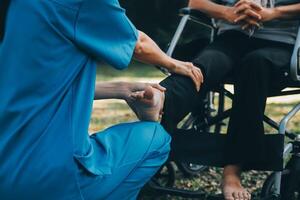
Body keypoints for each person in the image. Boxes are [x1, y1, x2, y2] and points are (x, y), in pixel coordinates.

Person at [0, 0, 203, 199]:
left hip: (6, 169)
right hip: (52, 177)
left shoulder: (19, 7)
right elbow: (137, 44)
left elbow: (41, 86)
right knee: (156, 139)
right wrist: (175, 64)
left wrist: (120, 89)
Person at [125, 0, 300, 199]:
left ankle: (232, 170)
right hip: (232, 36)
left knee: (254, 65)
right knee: (204, 65)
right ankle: (158, 106)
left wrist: (274, 13)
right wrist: (227, 12)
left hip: (281, 44)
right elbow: (196, 2)